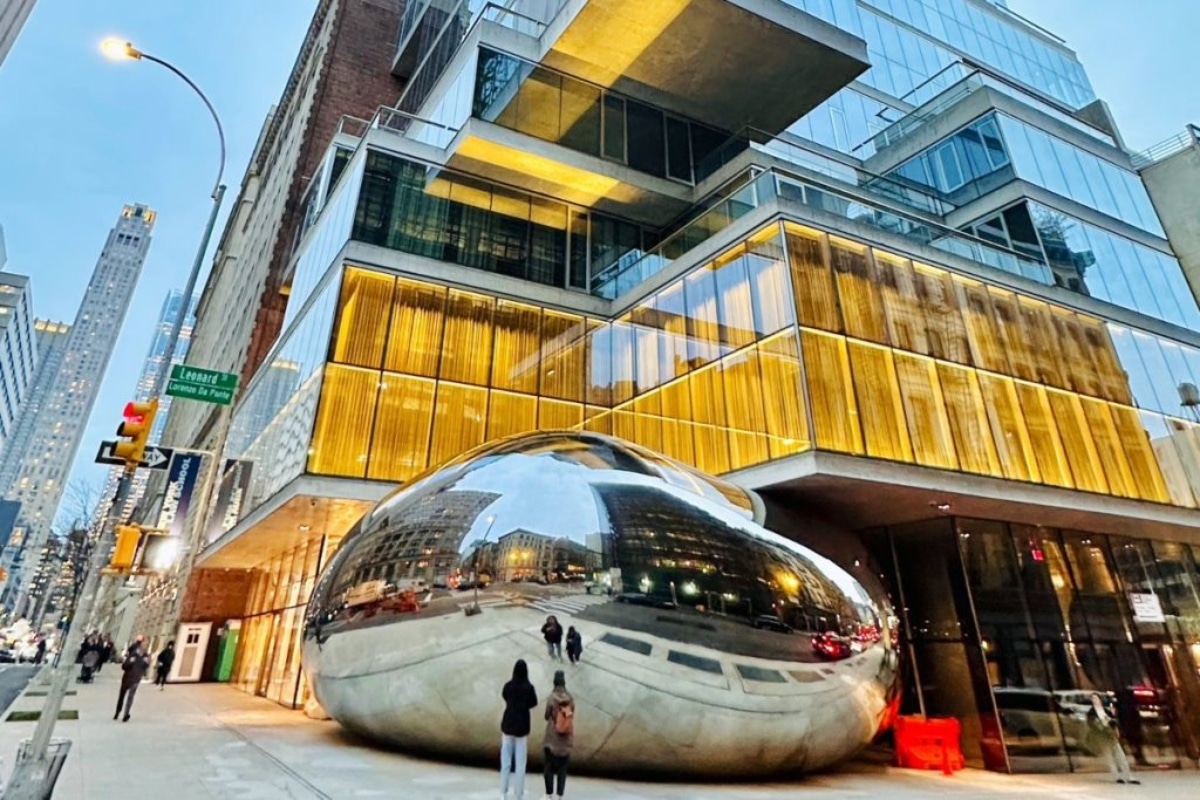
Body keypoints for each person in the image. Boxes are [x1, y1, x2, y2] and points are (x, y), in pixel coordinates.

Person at [500, 659, 538, 799]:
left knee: (506, 762)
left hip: (508, 726)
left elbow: (504, 696)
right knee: (520, 764)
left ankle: (503, 792)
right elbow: (534, 702)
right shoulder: (529, 688)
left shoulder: (508, 686)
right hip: (522, 728)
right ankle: (518, 795)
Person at [1087, 693, 1139, 784]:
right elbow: (1093, 725)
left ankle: (1128, 775)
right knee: (1109, 756)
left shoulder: (1107, 710)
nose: (1095, 700)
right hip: (1102, 736)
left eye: (1096, 698)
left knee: (1120, 755)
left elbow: (1114, 722)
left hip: (1111, 735)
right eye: (1093, 699)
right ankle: (1117, 776)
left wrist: (1115, 728)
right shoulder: (1091, 713)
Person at [542, 670, 575, 800]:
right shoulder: (570, 698)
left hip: (552, 738)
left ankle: (549, 794)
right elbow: (572, 714)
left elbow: (546, 715)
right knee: (562, 770)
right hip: (566, 739)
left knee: (548, 768)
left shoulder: (552, 697)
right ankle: (560, 796)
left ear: (554, 681)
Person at [115, 635, 151, 722]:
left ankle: (126, 714)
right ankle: (117, 711)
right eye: (144, 645)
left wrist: (147, 663)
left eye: (146, 646)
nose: (145, 648)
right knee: (122, 696)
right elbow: (123, 666)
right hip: (127, 678)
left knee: (130, 697)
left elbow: (145, 667)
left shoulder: (146, 656)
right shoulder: (133, 654)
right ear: (140, 646)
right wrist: (130, 662)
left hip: (136, 679)